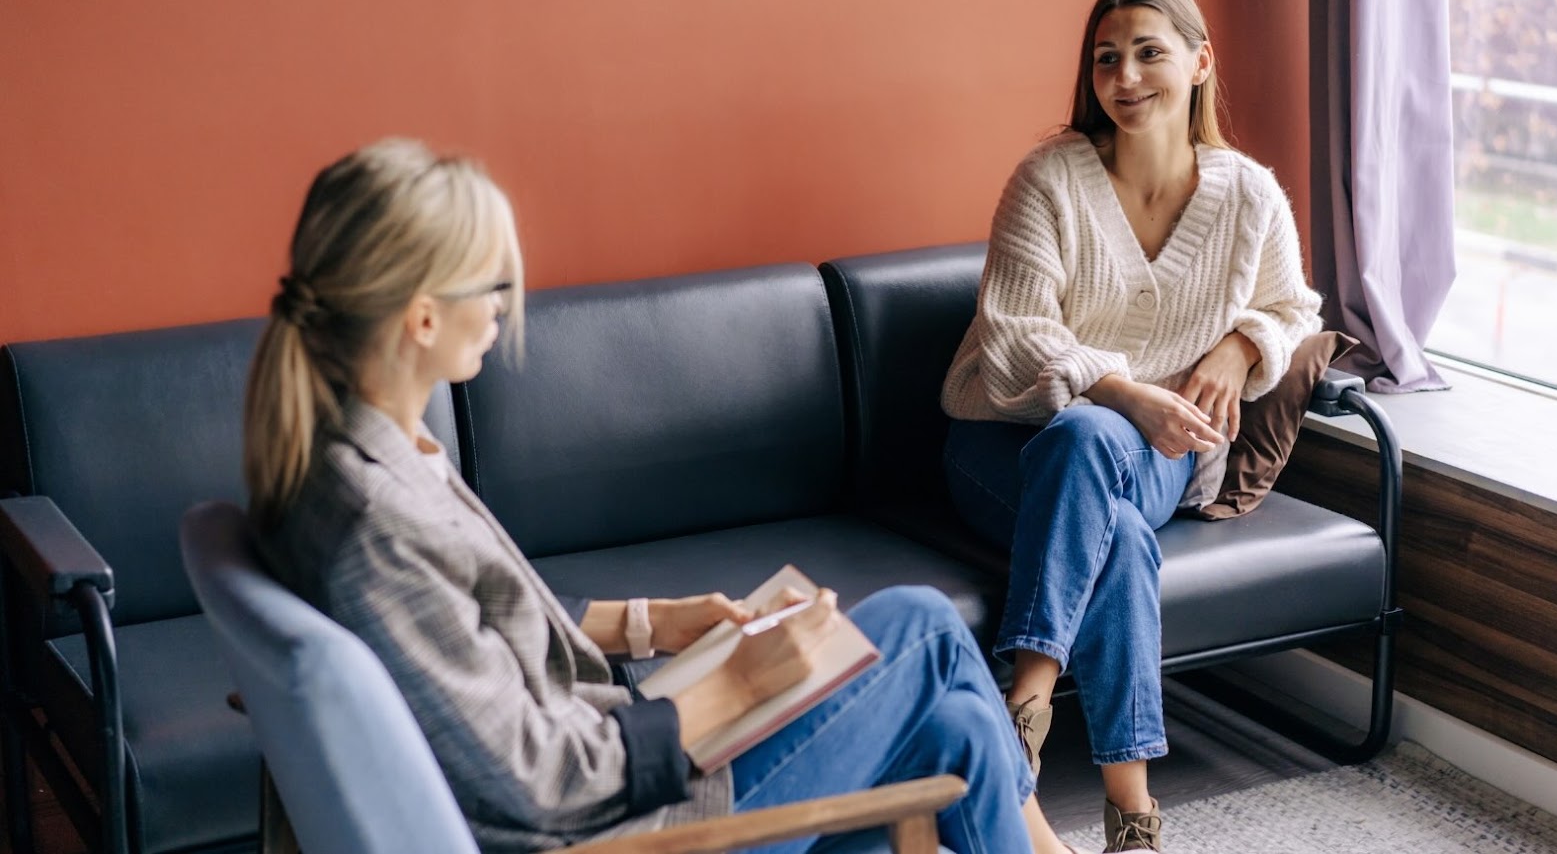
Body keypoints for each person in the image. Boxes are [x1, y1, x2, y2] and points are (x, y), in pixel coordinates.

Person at [243, 138, 1079, 854]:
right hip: (622, 820)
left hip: (620, 765)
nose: (504, 303)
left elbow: (476, 623)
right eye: (488, 283)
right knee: (925, 628)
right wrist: (736, 685)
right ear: (423, 318)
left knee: (957, 731)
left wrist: (658, 621)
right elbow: (537, 779)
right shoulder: (370, 522)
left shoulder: (365, 458)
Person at [939, 0, 1323, 853]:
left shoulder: (1249, 196)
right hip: (1003, 443)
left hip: (1167, 453)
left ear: (1199, 61)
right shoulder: (1049, 181)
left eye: (1149, 52)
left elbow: (1295, 307)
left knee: (1095, 450)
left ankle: (1020, 709)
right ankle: (1133, 816)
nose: (1126, 75)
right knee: (1107, 501)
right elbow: (1008, 336)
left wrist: (1241, 345)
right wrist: (1117, 388)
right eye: (1107, 58)